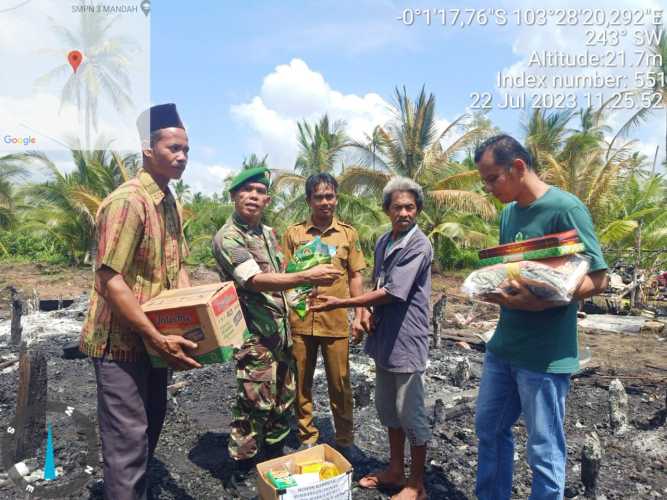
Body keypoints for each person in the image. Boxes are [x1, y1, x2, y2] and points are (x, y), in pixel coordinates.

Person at [473, 134, 608, 500]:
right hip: (503, 348)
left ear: (518, 167)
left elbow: (598, 277)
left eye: (492, 178)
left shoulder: (566, 208)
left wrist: (550, 297)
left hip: (545, 357)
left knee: (544, 450)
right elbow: (511, 270)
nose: (488, 187)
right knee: (488, 429)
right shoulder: (508, 214)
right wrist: (499, 290)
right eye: (483, 180)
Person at [80, 103, 201, 500]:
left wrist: (186, 324)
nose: (182, 157)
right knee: (128, 442)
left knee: (149, 427)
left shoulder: (169, 202)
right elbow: (109, 278)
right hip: (121, 343)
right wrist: (156, 334)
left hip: (154, 341)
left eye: (186, 149)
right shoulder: (128, 202)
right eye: (173, 148)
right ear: (148, 150)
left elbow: (177, 266)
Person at [212, 167, 342, 470]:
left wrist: (304, 290)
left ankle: (273, 460)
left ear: (267, 200)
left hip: (281, 333)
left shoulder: (268, 234)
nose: (253, 197)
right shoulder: (228, 238)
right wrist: (306, 275)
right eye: (247, 191)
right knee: (254, 402)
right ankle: (241, 466)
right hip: (253, 337)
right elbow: (254, 280)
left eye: (259, 192)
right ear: (234, 196)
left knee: (283, 400)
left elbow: (283, 274)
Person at [312, 177, 432, 500]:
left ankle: (416, 483)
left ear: (417, 209)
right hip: (384, 340)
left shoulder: (419, 244)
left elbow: (393, 292)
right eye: (397, 207)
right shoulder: (383, 242)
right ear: (387, 210)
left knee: (411, 413)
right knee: (388, 409)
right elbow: (377, 280)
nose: (404, 213)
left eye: (410, 207)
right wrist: (366, 315)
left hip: (408, 339)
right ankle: (395, 470)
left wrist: (346, 304)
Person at [282, 173, 366, 458]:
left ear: (336, 198)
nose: (325, 202)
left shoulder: (348, 234)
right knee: (301, 383)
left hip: (336, 321)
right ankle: (307, 435)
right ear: (309, 200)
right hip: (300, 321)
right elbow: (283, 276)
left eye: (329, 196)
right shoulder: (294, 234)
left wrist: (359, 312)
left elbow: (356, 275)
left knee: (340, 383)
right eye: (318, 197)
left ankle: (344, 438)